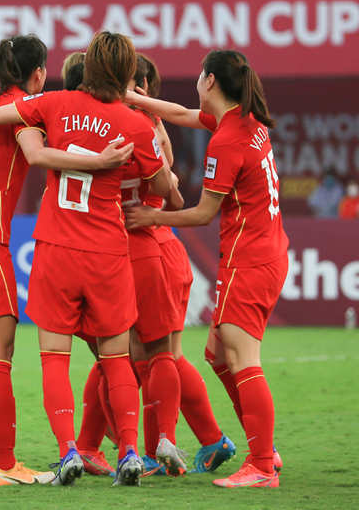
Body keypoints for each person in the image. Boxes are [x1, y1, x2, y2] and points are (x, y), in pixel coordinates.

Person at [0, 31, 178, 487]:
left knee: (53, 358)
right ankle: (131, 451)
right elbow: (163, 190)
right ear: (128, 73)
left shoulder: (54, 104)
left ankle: (67, 451)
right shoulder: (135, 125)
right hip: (108, 252)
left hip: (57, 247)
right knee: (117, 358)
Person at [0, 37, 132, 487]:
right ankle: (6, 465)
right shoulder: (25, 106)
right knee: (1, 354)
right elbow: (37, 155)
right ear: (38, 74)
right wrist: (99, 161)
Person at [125, 49, 288, 488]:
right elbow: (179, 112)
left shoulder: (227, 140)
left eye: (200, 73)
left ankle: (259, 464)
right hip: (264, 252)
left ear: (210, 81)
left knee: (240, 355)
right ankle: (263, 446)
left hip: (250, 259)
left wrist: (151, 217)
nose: (197, 80)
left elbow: (201, 214)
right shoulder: (241, 122)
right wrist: (137, 100)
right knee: (217, 354)